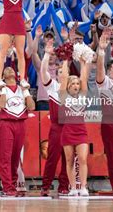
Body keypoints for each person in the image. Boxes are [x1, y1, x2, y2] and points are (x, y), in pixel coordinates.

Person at [0, 67, 35, 197]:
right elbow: (0, 105)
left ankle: (13, 184)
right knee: (5, 156)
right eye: (6, 70)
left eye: (12, 69)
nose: (10, 70)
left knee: (15, 157)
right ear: (3, 75)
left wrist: (26, 92)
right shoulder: (0, 89)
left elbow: (32, 107)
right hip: (6, 123)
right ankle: (7, 187)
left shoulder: (22, 88)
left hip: (21, 123)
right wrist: (4, 88)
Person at [58, 56, 90, 197]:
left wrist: (83, 63)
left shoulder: (83, 95)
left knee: (83, 159)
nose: (76, 86)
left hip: (81, 131)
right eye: (73, 84)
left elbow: (84, 78)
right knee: (69, 160)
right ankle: (72, 188)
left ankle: (83, 187)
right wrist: (65, 58)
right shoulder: (63, 96)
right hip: (67, 132)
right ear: (68, 86)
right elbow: (64, 77)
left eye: (77, 83)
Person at [40, 41, 69, 196]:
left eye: (64, 73)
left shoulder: (74, 90)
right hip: (57, 128)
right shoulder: (52, 87)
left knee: (68, 159)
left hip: (69, 127)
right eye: (59, 73)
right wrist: (46, 54)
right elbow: (43, 71)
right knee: (52, 158)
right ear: (57, 75)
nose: (62, 75)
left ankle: (64, 186)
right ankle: (45, 186)